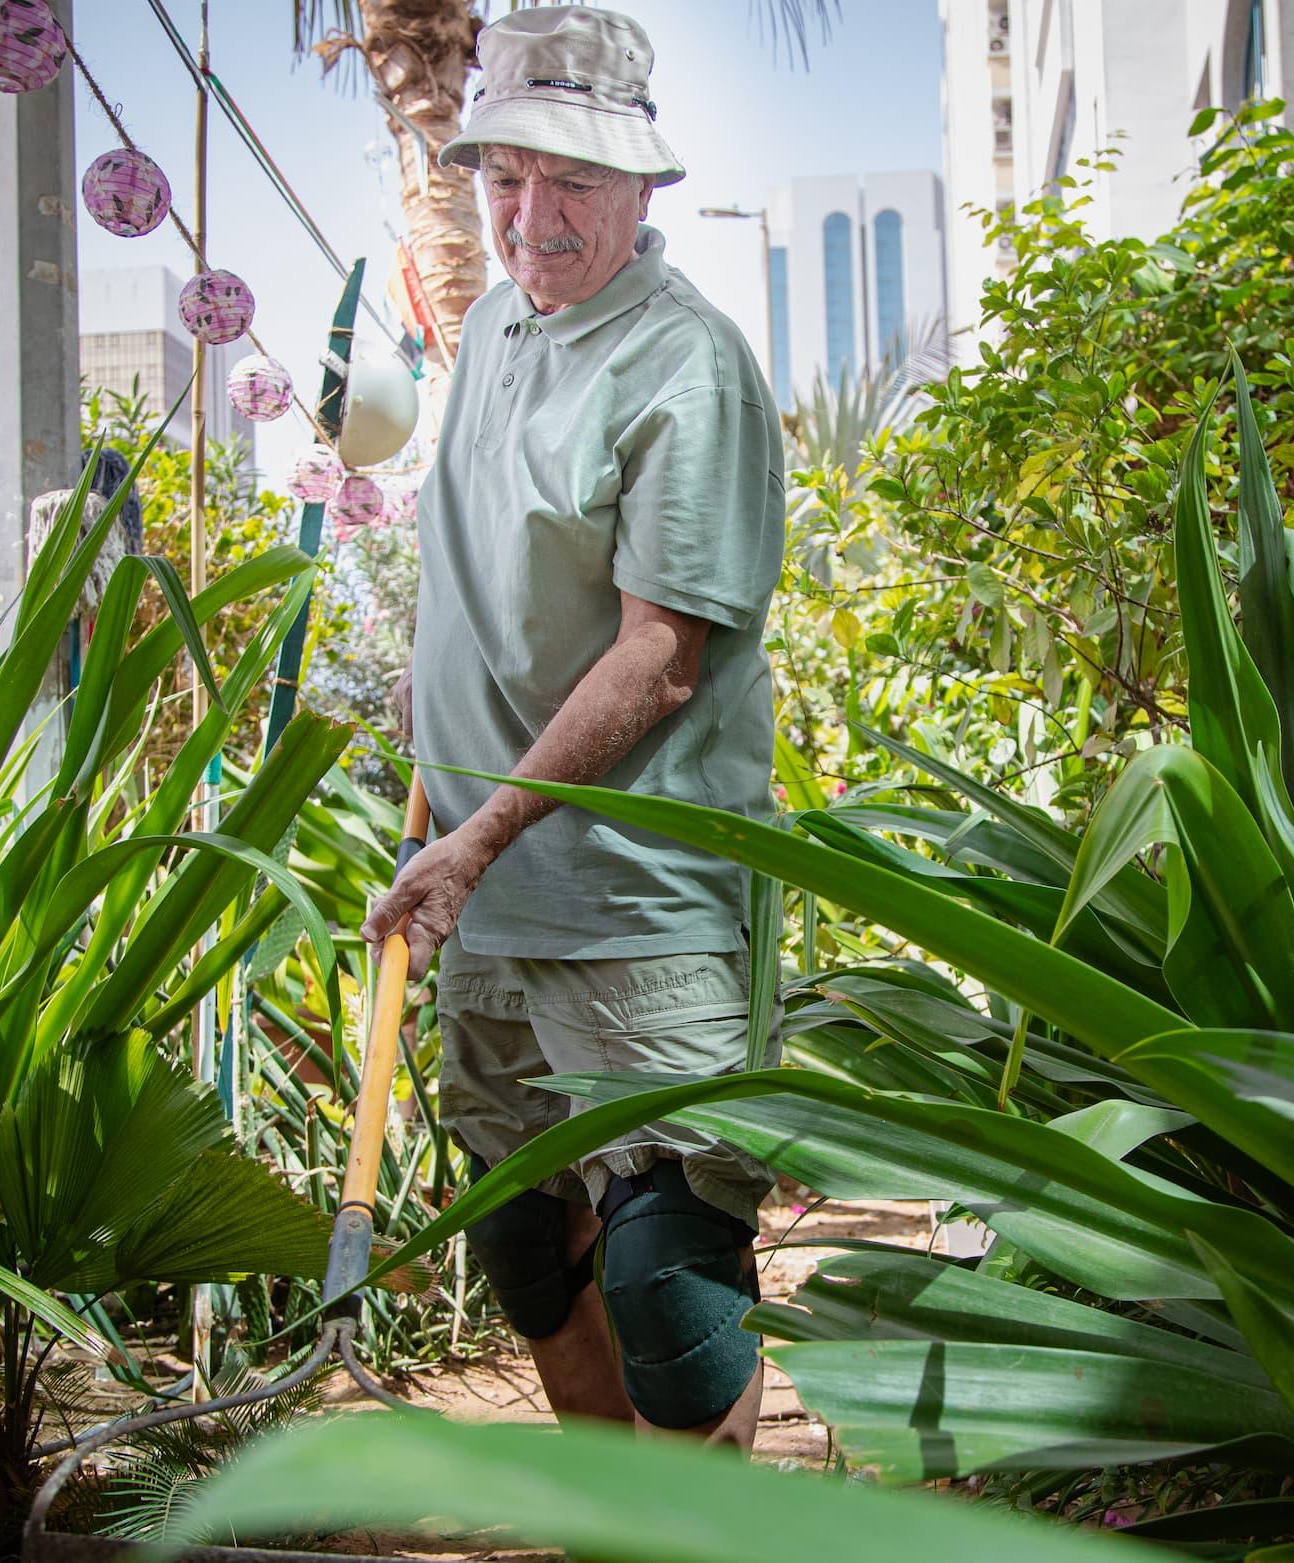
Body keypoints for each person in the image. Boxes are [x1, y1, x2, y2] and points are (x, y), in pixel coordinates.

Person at [359, 6, 784, 1449]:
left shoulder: (687, 368)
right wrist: (435, 776)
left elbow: (660, 657)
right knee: (533, 1256)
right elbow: (481, 579)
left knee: (670, 1275)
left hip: (635, 900)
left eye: (573, 184)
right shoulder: (486, 326)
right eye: (506, 179)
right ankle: (621, 1524)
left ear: (644, 186)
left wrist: (482, 830)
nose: (533, 220)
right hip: (487, 885)